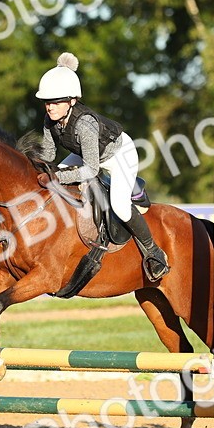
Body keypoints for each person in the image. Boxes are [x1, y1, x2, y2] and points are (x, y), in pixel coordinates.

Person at [34, 52, 170, 282]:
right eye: (47, 101)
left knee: (120, 206)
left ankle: (154, 253)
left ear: (72, 101)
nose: (50, 107)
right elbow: (48, 155)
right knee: (54, 175)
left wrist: (58, 178)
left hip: (119, 156)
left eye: (56, 101)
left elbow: (91, 170)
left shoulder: (84, 124)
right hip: (87, 156)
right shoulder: (50, 120)